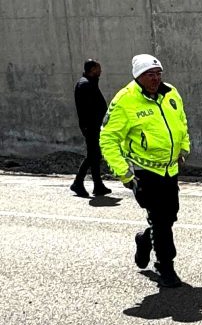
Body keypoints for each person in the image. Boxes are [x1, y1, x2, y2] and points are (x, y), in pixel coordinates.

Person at [100, 54, 190, 288]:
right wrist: (124, 173)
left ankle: (145, 240)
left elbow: (181, 122)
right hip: (144, 171)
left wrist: (183, 148)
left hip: (169, 169)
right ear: (138, 76)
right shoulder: (125, 100)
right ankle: (165, 266)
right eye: (150, 75)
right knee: (160, 220)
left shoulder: (171, 93)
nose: (156, 79)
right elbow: (108, 138)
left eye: (158, 74)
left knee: (170, 216)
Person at [70, 59, 112, 198]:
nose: (101, 71)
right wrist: (96, 125)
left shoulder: (90, 82)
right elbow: (89, 109)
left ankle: (98, 185)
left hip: (93, 125)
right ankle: (78, 182)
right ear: (93, 69)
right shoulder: (85, 84)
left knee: (95, 155)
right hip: (91, 126)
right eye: (98, 68)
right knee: (92, 155)